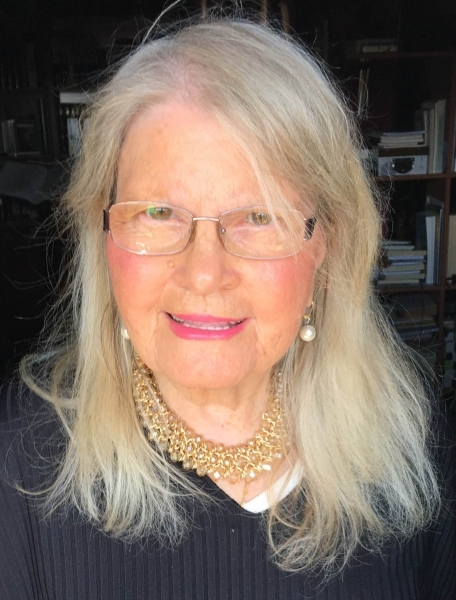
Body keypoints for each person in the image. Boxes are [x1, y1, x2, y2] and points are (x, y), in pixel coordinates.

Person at [0, 16, 454, 600]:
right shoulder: (20, 462)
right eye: (158, 213)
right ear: (104, 236)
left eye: (259, 217)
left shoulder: (414, 440)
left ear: (327, 244)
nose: (204, 273)